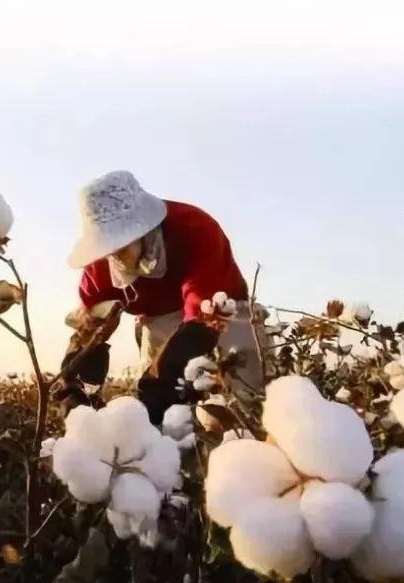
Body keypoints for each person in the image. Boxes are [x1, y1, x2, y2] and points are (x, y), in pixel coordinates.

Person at [63, 170, 262, 419]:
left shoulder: (195, 229)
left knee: (247, 385)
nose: (115, 255)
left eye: (122, 245)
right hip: (157, 316)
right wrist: (74, 384)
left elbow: (204, 316)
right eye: (109, 248)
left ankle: (252, 430)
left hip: (222, 305)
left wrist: (164, 375)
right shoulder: (100, 269)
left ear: (144, 230)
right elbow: (90, 330)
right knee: (163, 412)